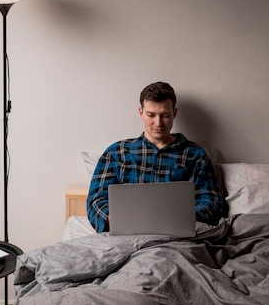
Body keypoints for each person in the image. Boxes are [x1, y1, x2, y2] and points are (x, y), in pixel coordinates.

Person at [87, 81, 228, 233]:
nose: (158, 123)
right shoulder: (117, 153)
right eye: (151, 115)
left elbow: (211, 201)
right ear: (141, 112)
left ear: (174, 113)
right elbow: (96, 199)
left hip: (178, 237)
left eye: (165, 115)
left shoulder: (196, 155)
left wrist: (182, 218)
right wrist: (113, 219)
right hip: (127, 236)